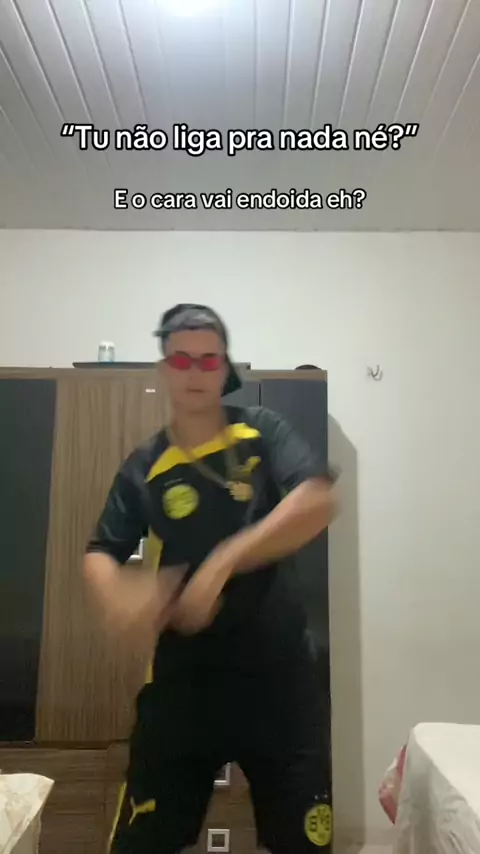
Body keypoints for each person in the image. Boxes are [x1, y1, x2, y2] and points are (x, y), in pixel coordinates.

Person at [84, 304, 338, 854]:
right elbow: (102, 551)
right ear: (164, 370)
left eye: (208, 359)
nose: (195, 371)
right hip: (184, 685)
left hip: (280, 684)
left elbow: (317, 500)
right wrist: (120, 596)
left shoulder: (261, 431)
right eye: (181, 359)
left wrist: (223, 561)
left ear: (224, 369)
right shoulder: (145, 464)